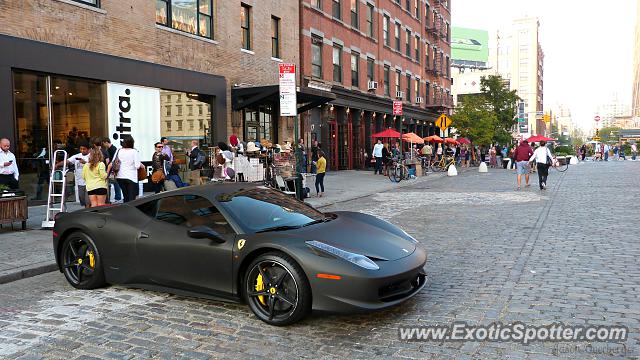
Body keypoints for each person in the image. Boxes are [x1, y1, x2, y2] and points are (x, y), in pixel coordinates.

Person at [108, 135, 142, 203]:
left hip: (120, 177)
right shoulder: (134, 151)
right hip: (131, 177)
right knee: (131, 199)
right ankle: (130, 212)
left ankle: (125, 211)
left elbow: (112, 162)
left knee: (125, 196)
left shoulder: (119, 150)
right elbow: (137, 166)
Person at [57, 141, 90, 207]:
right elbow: (67, 161)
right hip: (80, 181)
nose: (82, 150)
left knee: (88, 201)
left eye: (84, 149)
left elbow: (94, 166)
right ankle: (86, 210)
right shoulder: (76, 156)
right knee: (82, 198)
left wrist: (85, 163)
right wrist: (57, 165)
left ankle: (88, 212)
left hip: (89, 182)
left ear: (88, 149)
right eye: (81, 149)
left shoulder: (91, 156)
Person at [101, 137, 122, 203]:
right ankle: (116, 198)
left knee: (115, 183)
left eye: (104, 143)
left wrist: (111, 168)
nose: (103, 145)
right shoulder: (110, 149)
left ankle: (118, 198)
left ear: (106, 142)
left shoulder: (113, 149)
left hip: (113, 169)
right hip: (111, 169)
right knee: (113, 183)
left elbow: (114, 160)